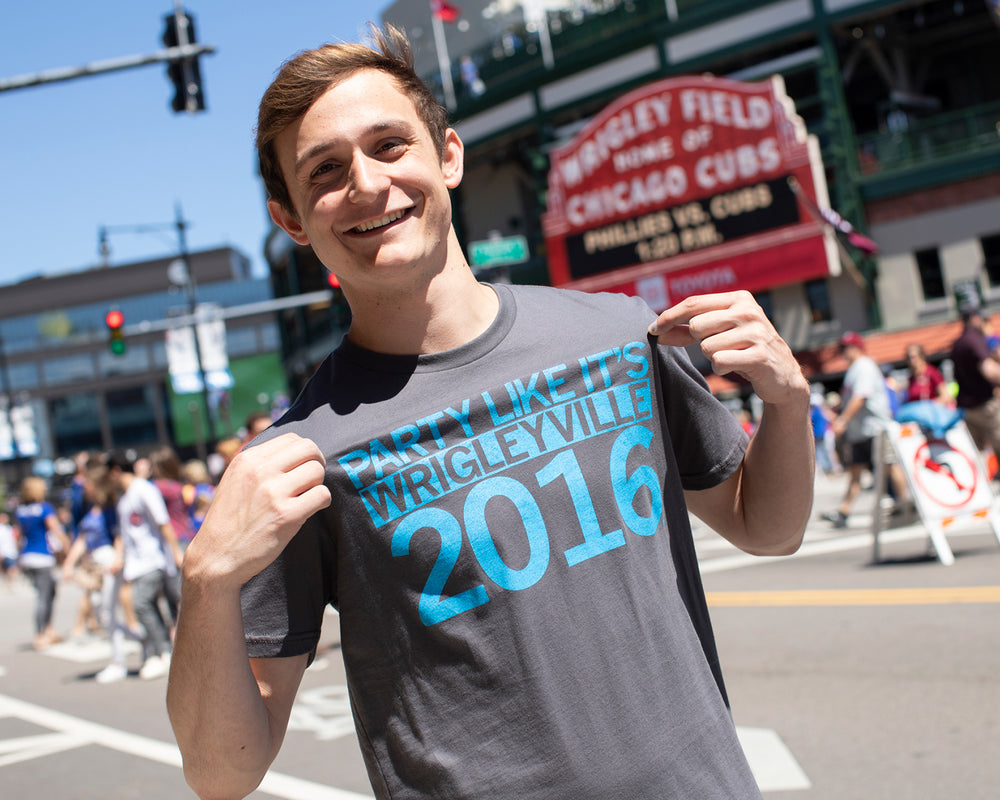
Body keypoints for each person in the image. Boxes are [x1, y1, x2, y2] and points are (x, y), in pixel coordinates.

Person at [167, 25, 814, 800]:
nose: (368, 185)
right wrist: (205, 579)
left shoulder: (615, 334)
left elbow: (767, 528)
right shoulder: (300, 458)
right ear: (293, 222)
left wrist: (787, 402)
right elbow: (221, 774)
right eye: (326, 171)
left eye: (389, 145)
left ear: (448, 155)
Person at [105, 450, 183, 680]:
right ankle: (161, 651)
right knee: (150, 605)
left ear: (115, 471)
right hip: (138, 562)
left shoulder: (143, 490)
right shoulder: (126, 496)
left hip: (153, 558)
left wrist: (175, 551)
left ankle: (163, 653)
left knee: (142, 604)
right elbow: (125, 532)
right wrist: (120, 557)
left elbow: (162, 522)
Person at [822, 331, 908, 528]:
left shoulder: (864, 366)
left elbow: (861, 396)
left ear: (856, 347)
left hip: (875, 428)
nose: (844, 352)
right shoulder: (854, 369)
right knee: (855, 471)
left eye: (846, 348)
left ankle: (905, 503)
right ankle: (844, 511)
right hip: (860, 431)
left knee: (889, 465)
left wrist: (842, 420)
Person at [13, 476, 71, 650]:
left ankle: (48, 629)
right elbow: (56, 529)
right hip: (42, 556)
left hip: (27, 556)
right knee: (44, 596)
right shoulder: (44, 508)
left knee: (48, 592)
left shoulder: (20, 511)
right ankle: (41, 634)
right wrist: (67, 546)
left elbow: (18, 536)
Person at [950, 301, 1000, 463]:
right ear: (974, 318)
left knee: (977, 456)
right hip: (985, 405)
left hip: (967, 409)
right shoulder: (974, 340)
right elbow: (989, 370)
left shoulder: (957, 344)